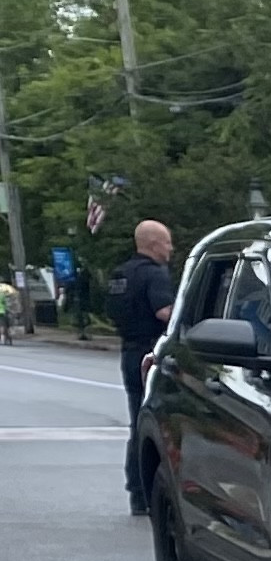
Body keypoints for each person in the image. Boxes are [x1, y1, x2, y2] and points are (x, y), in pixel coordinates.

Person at [105, 220, 176, 515]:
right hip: (152, 353)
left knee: (138, 422)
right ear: (154, 244)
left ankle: (137, 491)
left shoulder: (120, 275)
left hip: (128, 351)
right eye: (167, 242)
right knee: (161, 424)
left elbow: (113, 312)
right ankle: (156, 490)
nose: (171, 248)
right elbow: (164, 312)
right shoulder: (154, 274)